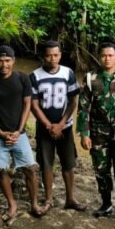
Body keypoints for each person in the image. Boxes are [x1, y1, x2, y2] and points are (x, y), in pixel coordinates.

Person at [0, 45, 41, 222]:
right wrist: (0, 132)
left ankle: (34, 203)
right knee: (1, 171)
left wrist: (19, 130)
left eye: (7, 60)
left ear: (13, 61)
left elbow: (27, 104)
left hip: (19, 134)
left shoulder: (22, 78)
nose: (4, 64)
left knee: (30, 168)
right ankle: (11, 203)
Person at [77, 42, 115, 219]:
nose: (107, 59)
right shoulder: (91, 78)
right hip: (98, 134)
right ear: (99, 57)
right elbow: (83, 108)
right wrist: (85, 133)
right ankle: (106, 203)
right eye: (104, 55)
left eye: (111, 55)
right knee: (101, 171)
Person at [30, 40, 83, 212]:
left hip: (65, 127)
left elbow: (73, 100)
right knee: (46, 164)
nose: (52, 59)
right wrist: (48, 125)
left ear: (60, 55)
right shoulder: (35, 76)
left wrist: (60, 124)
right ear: (42, 56)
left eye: (56, 55)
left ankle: (70, 198)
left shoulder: (68, 73)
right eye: (48, 55)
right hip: (44, 129)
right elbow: (34, 104)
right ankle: (49, 199)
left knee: (68, 163)